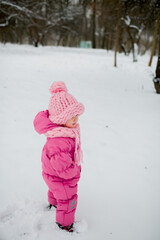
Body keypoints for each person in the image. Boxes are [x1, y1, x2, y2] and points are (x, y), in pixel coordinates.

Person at [33, 81, 84, 232]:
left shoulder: (62, 132)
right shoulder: (59, 141)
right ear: (60, 119)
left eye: (76, 115)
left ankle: (54, 203)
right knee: (68, 200)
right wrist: (75, 171)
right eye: (71, 116)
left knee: (55, 190)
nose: (75, 119)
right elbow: (64, 168)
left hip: (52, 175)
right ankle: (65, 224)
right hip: (61, 177)